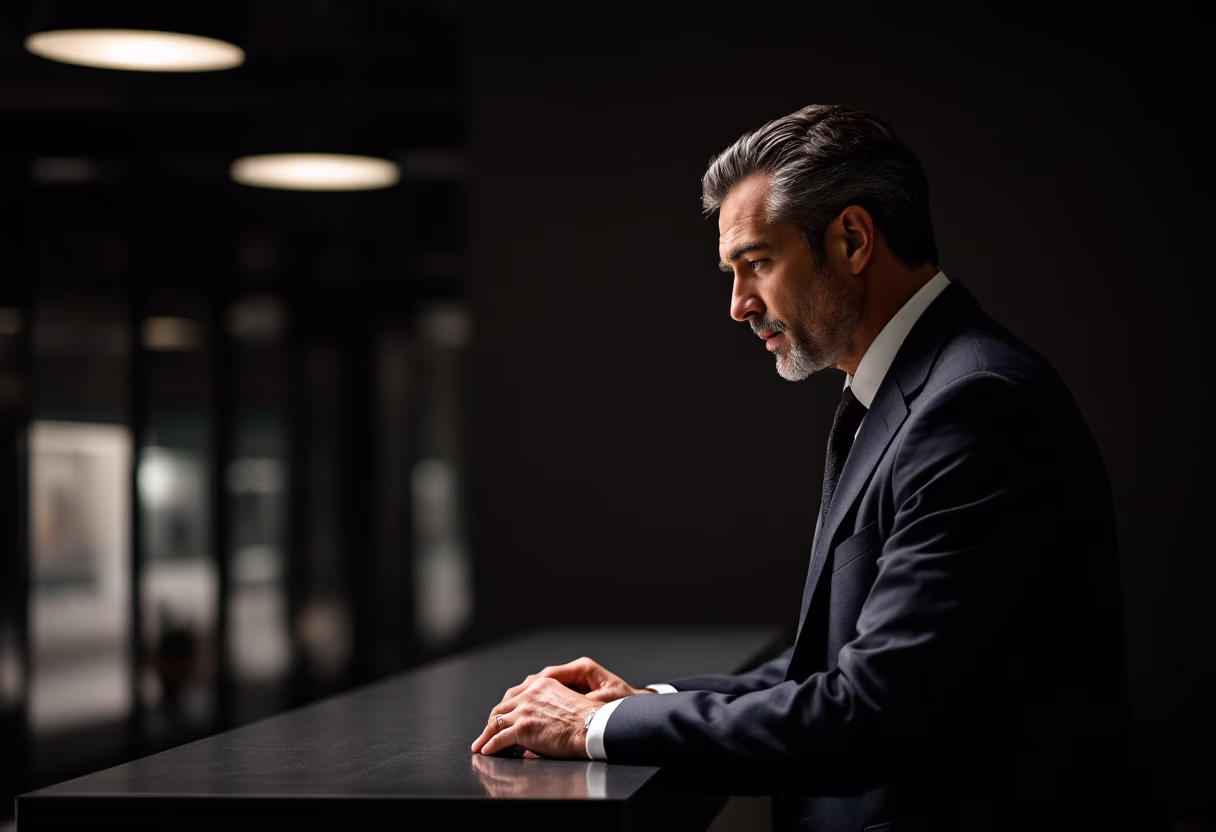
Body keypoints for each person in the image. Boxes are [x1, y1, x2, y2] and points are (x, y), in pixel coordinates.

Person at [470, 104, 1135, 831]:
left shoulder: (974, 406)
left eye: (756, 262)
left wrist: (593, 728)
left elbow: (869, 712)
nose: (737, 305)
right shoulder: (913, 390)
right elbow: (834, 664)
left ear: (852, 239)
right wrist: (640, 703)